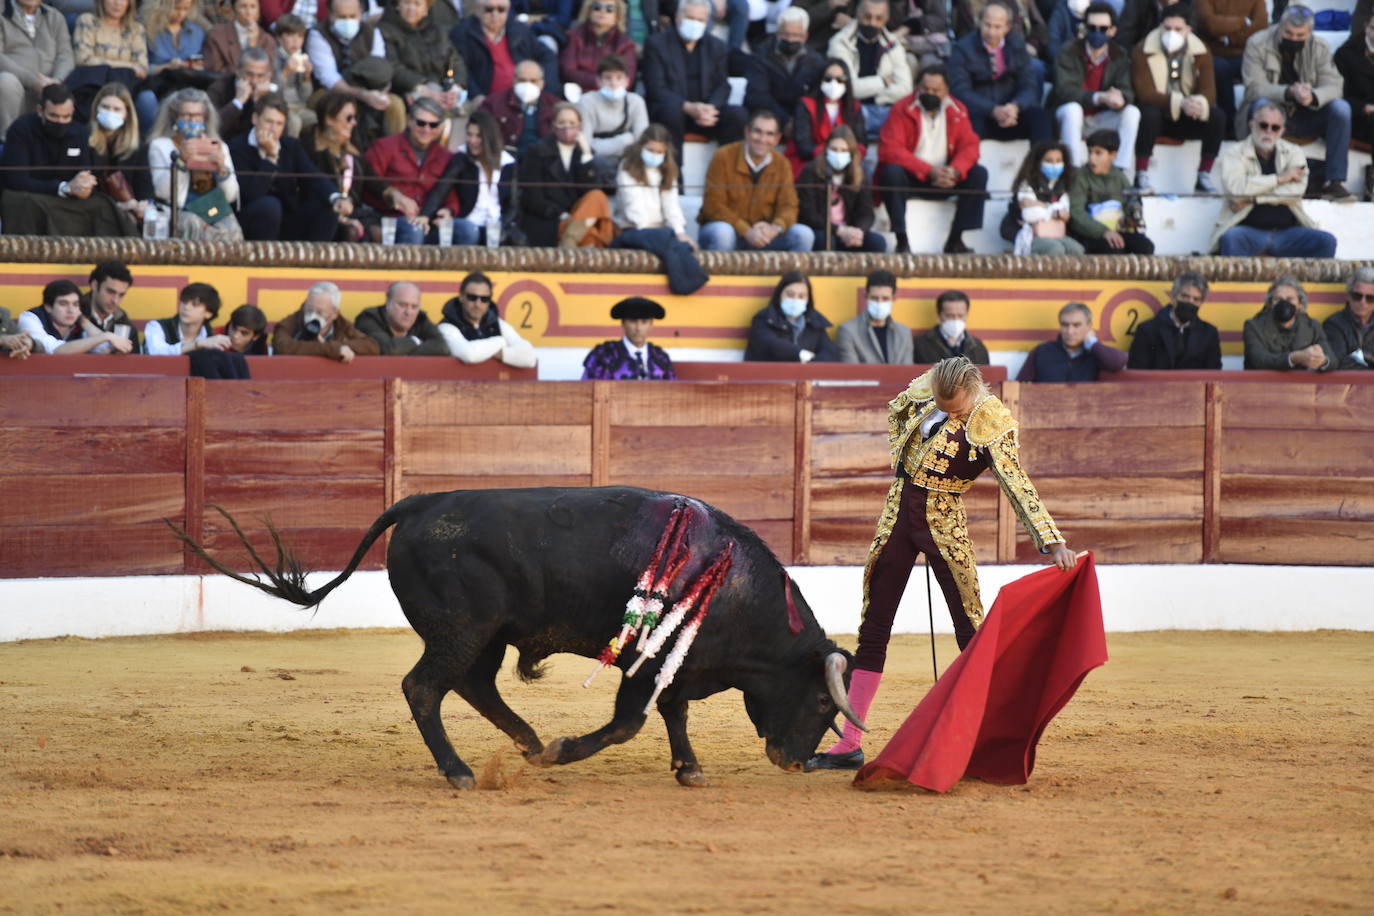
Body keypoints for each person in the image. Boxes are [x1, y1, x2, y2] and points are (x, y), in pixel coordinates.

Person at [806, 356, 1074, 771]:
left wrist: (1051, 540)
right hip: (899, 513)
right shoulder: (927, 389)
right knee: (874, 626)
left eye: (956, 406)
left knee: (969, 630)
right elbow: (895, 410)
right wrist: (902, 465)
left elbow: (1015, 481)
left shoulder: (992, 420)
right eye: (941, 403)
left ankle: (984, 736)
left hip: (943, 520)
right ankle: (851, 743)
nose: (948, 410)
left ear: (972, 388)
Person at [1238, 4, 1354, 201]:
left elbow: (1334, 86)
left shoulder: (1320, 46)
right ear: (1280, 27)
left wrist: (1313, 96)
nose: (1293, 39)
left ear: (1309, 33)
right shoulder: (1257, 42)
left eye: (1300, 36)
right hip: (1274, 111)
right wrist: (1288, 92)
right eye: (1289, 33)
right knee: (1261, 105)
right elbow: (1253, 88)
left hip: (1308, 112)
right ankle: (1260, 174)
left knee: (1341, 109)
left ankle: (1334, 182)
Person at [877, 66, 990, 254]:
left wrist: (955, 170)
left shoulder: (958, 110)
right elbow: (890, 149)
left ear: (946, 91)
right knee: (891, 172)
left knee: (978, 173)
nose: (929, 93)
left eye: (935, 90)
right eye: (925, 89)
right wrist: (928, 170)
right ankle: (901, 241)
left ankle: (955, 240)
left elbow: (970, 146)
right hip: (913, 177)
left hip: (946, 178)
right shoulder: (901, 109)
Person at [0, 84, 130, 238]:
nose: (60, 121)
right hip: (32, 196)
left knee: (104, 206)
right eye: (53, 116)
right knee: (18, 201)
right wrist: (63, 187)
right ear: (40, 111)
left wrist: (84, 186)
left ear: (73, 112)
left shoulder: (80, 132)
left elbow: (84, 172)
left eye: (66, 116)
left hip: (67, 201)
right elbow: (17, 180)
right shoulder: (21, 129)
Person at [1210, 100, 1337, 256]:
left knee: (1326, 242)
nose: (1268, 131)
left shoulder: (1294, 152)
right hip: (1248, 231)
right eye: (1263, 125)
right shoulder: (1234, 152)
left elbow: (1295, 191)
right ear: (1252, 125)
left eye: (1275, 127)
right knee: (1231, 238)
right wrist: (1280, 179)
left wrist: (1253, 199)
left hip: (1288, 234)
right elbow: (1236, 189)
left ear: (1282, 130)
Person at [230, 94, 348, 241]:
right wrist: (270, 159)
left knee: (327, 208)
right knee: (270, 206)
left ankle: (313, 261)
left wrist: (336, 198)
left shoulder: (290, 145)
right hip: (252, 221)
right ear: (255, 119)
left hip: (286, 221)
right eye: (269, 122)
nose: (273, 129)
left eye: (279, 124)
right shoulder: (237, 148)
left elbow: (312, 175)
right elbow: (251, 195)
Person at [1132, 5, 1223, 193]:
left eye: (1178, 29)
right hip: (1159, 116)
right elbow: (1145, 94)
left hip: (1188, 115)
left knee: (1216, 116)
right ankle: (1141, 174)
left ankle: (1204, 175)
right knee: (1148, 114)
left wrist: (1198, 103)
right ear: (1160, 26)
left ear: (1189, 30)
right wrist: (1179, 102)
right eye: (1167, 28)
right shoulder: (1143, 49)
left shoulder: (1201, 50)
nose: (1171, 33)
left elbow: (1209, 91)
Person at [696, 110, 815, 252]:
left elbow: (789, 206)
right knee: (723, 233)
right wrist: (746, 231)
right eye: (757, 131)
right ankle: (721, 275)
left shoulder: (782, 164)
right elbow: (713, 206)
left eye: (769, 134)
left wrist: (774, 228)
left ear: (777, 139)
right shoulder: (723, 156)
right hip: (730, 232)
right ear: (746, 132)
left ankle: (791, 275)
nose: (762, 139)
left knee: (804, 235)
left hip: (765, 236)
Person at [609, 123, 708, 295]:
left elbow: (672, 206)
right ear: (641, 147)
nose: (654, 155)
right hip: (633, 230)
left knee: (682, 243)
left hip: (660, 233)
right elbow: (634, 209)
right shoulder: (627, 168)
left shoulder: (668, 170)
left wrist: (679, 232)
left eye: (659, 152)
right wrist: (663, 236)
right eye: (650, 150)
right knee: (672, 243)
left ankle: (688, 281)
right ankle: (687, 282)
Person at [641, 0, 746, 148]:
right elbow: (655, 88)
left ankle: (725, 168)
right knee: (670, 111)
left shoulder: (716, 46)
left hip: (707, 114)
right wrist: (687, 107)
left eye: (700, 20)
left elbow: (723, 85)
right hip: (674, 112)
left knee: (737, 115)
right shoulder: (656, 44)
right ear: (677, 16)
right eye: (690, 18)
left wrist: (710, 108)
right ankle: (674, 170)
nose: (695, 23)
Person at [1052, 2, 1139, 176]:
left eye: (1103, 28)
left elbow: (1128, 91)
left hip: (1100, 118)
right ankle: (1074, 172)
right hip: (1069, 117)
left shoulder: (1119, 55)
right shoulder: (1069, 51)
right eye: (1092, 27)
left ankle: (1119, 172)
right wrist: (1100, 97)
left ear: (1113, 30)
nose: (1097, 33)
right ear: (1084, 28)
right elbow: (1064, 91)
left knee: (1132, 112)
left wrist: (1120, 98)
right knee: (1072, 109)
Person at [147, 87, 244, 242]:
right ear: (174, 115)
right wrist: (181, 161)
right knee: (192, 222)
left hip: (212, 209)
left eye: (197, 116)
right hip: (179, 211)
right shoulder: (161, 146)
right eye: (186, 115)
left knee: (231, 226)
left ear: (205, 118)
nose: (192, 121)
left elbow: (231, 196)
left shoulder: (218, 146)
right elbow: (163, 193)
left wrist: (222, 170)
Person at [948, 0, 1053, 142]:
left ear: (1007, 27)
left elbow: (1028, 84)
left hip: (1011, 113)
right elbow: (960, 91)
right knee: (969, 122)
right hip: (980, 114)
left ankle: (1039, 162)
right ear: (979, 22)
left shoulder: (1016, 44)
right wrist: (993, 110)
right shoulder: (962, 49)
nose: (991, 32)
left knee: (1040, 117)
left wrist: (1016, 106)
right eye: (987, 25)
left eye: (997, 27)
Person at [518, 101, 614, 248]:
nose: (567, 127)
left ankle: (570, 239)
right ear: (553, 125)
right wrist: (563, 216)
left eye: (572, 123)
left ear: (580, 126)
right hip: (550, 220)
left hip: (577, 218)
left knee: (598, 196)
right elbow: (533, 198)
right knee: (592, 236)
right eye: (561, 122)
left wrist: (586, 155)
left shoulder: (585, 154)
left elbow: (590, 193)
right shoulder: (536, 152)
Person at [365, 96, 458, 245]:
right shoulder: (384, 147)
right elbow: (368, 184)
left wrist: (448, 211)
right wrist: (393, 196)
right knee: (414, 229)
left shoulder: (446, 156)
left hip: (429, 221)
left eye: (433, 125)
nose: (426, 130)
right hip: (391, 220)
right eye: (421, 123)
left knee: (466, 230)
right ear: (409, 120)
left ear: (440, 128)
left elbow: (451, 195)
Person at [308, 0, 403, 141]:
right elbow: (329, 78)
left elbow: (378, 68)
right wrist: (362, 95)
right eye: (341, 17)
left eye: (352, 16)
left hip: (369, 89)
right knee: (335, 106)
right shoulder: (317, 35)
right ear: (330, 14)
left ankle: (392, 152)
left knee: (395, 104)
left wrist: (379, 93)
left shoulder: (372, 33)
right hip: (330, 92)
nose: (347, 21)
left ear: (360, 14)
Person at [421, 110, 516, 246]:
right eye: (469, 135)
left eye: (478, 136)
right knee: (470, 232)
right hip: (468, 221)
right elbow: (441, 189)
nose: (472, 140)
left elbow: (513, 206)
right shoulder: (462, 158)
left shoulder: (508, 163)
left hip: (496, 225)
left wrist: (500, 227)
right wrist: (425, 215)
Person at [826, 0, 913, 137]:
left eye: (878, 18)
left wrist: (870, 93)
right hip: (850, 110)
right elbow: (848, 88)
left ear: (886, 19)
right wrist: (883, 82)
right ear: (858, 15)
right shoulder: (840, 42)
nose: (872, 23)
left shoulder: (893, 44)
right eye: (867, 17)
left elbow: (905, 89)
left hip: (885, 110)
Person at [301, 90, 378, 242]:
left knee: (378, 229)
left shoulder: (351, 151)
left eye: (355, 118)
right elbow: (313, 191)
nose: (354, 123)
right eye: (349, 118)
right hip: (322, 216)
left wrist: (394, 195)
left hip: (352, 213)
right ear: (329, 119)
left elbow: (375, 184)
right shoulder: (309, 149)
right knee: (351, 231)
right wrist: (341, 217)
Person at [796, 125, 885, 252]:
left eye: (844, 150)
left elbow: (866, 213)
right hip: (821, 230)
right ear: (826, 150)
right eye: (834, 149)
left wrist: (858, 231)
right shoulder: (811, 171)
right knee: (826, 241)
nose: (838, 154)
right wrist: (839, 230)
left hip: (849, 232)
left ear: (851, 153)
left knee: (877, 242)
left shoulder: (860, 174)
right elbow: (808, 215)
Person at [739, 6, 827, 133]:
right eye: (785, 34)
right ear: (778, 33)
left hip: (799, 119)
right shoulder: (760, 55)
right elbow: (758, 96)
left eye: (796, 35)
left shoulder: (816, 61)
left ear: (805, 36)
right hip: (765, 117)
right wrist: (785, 120)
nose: (790, 40)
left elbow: (813, 96)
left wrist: (797, 121)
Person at [449, 0, 558, 102]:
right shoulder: (463, 34)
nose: (495, 14)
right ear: (477, 10)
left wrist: (545, 88)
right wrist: (476, 95)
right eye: (489, 9)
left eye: (501, 9)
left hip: (525, 96)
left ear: (508, 10)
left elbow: (547, 56)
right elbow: (462, 71)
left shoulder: (520, 30)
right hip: (488, 101)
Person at [71, 0, 157, 128]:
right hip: (94, 84)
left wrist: (106, 65)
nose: (118, 3)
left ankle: (144, 143)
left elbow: (142, 68)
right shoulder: (87, 21)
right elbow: (83, 59)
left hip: (127, 87)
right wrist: (128, 66)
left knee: (147, 99)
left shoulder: (136, 29)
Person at [1068, 128, 1155, 254]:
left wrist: (1130, 221)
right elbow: (1076, 214)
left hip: (1116, 231)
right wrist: (1103, 232)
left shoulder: (1119, 177)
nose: (1092, 158)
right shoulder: (1080, 177)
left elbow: (1130, 204)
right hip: (1090, 234)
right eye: (1090, 152)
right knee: (1113, 248)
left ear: (1113, 155)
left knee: (1145, 246)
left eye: (1098, 153)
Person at [0, 0, 74, 143]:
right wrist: (33, 81)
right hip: (16, 90)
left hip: (50, 89)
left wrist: (56, 82)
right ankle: (9, 141)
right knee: (6, 82)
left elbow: (65, 56)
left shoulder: (55, 17)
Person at [786, 57, 867, 178]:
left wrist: (847, 155)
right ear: (820, 79)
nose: (834, 83)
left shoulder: (854, 107)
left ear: (847, 81)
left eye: (840, 79)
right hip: (810, 159)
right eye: (828, 78)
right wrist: (830, 154)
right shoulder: (806, 105)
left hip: (846, 159)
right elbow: (803, 146)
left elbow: (861, 142)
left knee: (864, 173)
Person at [436, 271, 538, 368]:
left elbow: (530, 357)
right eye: (472, 297)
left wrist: (494, 353)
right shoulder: (446, 327)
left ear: (489, 301)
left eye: (484, 299)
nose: (478, 304)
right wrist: (501, 341)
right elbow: (469, 355)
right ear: (462, 297)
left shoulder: (498, 324)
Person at [1195, 0, 1266, 136]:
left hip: (1246, 54)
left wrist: (1228, 38)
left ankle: (1256, 122)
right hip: (1212, 53)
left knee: (1258, 70)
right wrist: (1243, 21)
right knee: (1220, 69)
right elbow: (1210, 25)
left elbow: (1260, 27)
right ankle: (1228, 125)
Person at [1127, 270, 1223, 369]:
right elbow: (1137, 371)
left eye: (1196, 299)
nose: (1190, 302)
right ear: (1173, 297)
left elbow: (1214, 375)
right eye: (1185, 296)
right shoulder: (1147, 330)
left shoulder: (1209, 333)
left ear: (1201, 303)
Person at [577, 53, 649, 179]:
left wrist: (600, 144)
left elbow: (642, 143)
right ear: (598, 81)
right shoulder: (586, 101)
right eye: (608, 78)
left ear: (627, 81)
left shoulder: (636, 102)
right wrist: (624, 141)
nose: (614, 83)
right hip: (595, 164)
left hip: (626, 163)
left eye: (619, 78)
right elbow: (586, 146)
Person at [379, 0, 465, 106]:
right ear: (397, 5)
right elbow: (394, 68)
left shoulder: (438, 31)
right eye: (407, 3)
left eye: (417, 4)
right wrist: (422, 87)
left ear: (426, 9)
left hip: (442, 88)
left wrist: (455, 87)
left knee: (461, 104)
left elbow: (454, 61)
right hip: (409, 90)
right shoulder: (385, 30)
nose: (411, 8)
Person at [1005, 140, 1084, 255]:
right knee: (1055, 249)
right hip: (1031, 235)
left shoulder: (1062, 184)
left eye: (1058, 161)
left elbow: (1065, 213)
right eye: (1049, 161)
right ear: (1038, 162)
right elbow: (1029, 215)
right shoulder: (1027, 183)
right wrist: (1055, 212)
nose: (1054, 165)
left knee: (1077, 250)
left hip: (1056, 234)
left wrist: (1041, 205)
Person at [1242, 275, 1335, 371]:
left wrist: (1322, 360)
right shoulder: (1254, 326)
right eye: (1278, 299)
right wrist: (1293, 358)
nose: (1284, 303)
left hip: (1302, 385)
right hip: (1264, 385)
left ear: (1300, 303)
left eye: (1290, 299)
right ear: (1270, 303)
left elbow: (1332, 360)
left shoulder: (1312, 326)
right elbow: (1259, 360)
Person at [744, 270, 840, 362]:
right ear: (779, 295)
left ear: (808, 299)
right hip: (768, 377)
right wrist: (800, 354)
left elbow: (829, 352)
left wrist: (811, 365)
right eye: (790, 295)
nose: (795, 300)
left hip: (804, 377)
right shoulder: (763, 319)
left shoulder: (814, 322)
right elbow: (771, 345)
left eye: (801, 296)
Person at [271, 280, 380, 362]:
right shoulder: (290, 322)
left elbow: (372, 346)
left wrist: (338, 346)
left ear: (334, 314)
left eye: (320, 312)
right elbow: (283, 347)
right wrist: (331, 349)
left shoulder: (341, 325)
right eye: (309, 309)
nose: (312, 316)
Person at [1018, 301, 1128, 380]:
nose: (1070, 331)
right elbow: (1017, 386)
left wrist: (1093, 344)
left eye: (1076, 325)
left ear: (1089, 326)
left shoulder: (1096, 353)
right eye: (1065, 325)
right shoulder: (1042, 351)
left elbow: (1118, 362)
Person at [19, 278, 133, 354]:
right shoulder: (30, 318)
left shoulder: (80, 322)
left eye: (75, 304)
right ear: (48, 307)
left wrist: (84, 321)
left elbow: (105, 348)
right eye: (63, 304)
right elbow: (55, 350)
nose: (71, 310)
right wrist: (106, 336)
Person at [581, 296, 676, 379]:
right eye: (633, 321)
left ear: (651, 324)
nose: (638, 328)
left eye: (644, 322)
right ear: (623, 323)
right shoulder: (604, 355)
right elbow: (588, 390)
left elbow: (674, 393)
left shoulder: (661, 357)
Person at [481, 57, 560, 157]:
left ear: (542, 83)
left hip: (544, 161)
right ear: (514, 81)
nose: (528, 85)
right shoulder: (493, 103)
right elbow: (484, 134)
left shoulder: (555, 106)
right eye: (522, 80)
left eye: (533, 81)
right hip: (507, 160)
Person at [1334, 16, 1374, 199]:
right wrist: (1364, 107)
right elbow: (1337, 94)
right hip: (1358, 117)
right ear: (1366, 26)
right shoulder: (1346, 54)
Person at [836, 269, 912, 363]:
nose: (879, 303)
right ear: (866, 297)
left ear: (893, 299)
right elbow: (851, 373)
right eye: (874, 298)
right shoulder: (848, 331)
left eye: (885, 298)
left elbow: (908, 373)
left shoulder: (904, 333)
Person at [355, 281, 451, 355]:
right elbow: (388, 349)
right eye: (402, 305)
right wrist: (415, 341)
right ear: (388, 303)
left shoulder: (420, 318)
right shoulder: (368, 318)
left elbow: (443, 347)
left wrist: (405, 350)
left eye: (414, 307)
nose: (408, 312)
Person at [561, 0, 637, 92]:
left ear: (617, 15)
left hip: (612, 95)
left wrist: (604, 84)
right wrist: (601, 81)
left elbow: (628, 79)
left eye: (610, 9)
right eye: (597, 7)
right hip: (578, 94)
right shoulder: (574, 37)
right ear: (589, 11)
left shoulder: (625, 44)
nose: (602, 11)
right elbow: (568, 72)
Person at [144, 282, 232, 355]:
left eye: (194, 304)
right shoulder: (156, 326)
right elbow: (156, 352)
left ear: (208, 313)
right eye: (184, 301)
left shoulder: (212, 339)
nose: (186, 307)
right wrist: (197, 344)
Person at [209, 45, 275, 141]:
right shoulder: (219, 88)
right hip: (225, 144)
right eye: (249, 74)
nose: (254, 81)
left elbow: (280, 132)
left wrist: (260, 103)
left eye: (260, 76)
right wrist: (238, 102)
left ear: (268, 75)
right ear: (238, 71)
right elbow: (212, 127)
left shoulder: (272, 91)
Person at [912, 289, 993, 363]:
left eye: (960, 316)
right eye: (949, 316)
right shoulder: (920, 346)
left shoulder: (978, 347)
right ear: (939, 315)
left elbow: (986, 376)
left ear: (967, 315)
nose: (955, 320)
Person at [80, 259, 141, 353]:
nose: (115, 301)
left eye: (121, 295)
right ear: (95, 285)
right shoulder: (72, 314)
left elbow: (134, 366)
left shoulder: (127, 325)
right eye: (110, 292)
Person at [271, 14, 316, 138]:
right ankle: (289, 152)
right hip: (279, 106)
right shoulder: (273, 57)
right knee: (294, 122)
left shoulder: (301, 57)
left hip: (299, 106)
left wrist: (307, 77)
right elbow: (272, 90)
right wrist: (285, 72)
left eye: (300, 36)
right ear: (279, 38)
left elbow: (305, 96)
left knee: (316, 119)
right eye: (290, 35)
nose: (296, 41)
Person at [203, 0, 276, 73]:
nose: (249, 12)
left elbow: (268, 73)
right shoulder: (216, 35)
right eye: (243, 6)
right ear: (234, 9)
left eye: (253, 7)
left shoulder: (268, 40)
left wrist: (252, 47)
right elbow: (214, 72)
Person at [1323, 267, 1374, 369]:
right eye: (1357, 296)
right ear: (1348, 296)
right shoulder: (1333, 324)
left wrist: (1357, 356)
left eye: (1370, 298)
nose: (1363, 302)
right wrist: (1367, 357)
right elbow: (1339, 364)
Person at [144, 0, 208, 80]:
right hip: (158, 85)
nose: (181, 14)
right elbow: (142, 69)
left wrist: (196, 65)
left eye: (186, 9)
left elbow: (204, 64)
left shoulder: (197, 33)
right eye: (176, 8)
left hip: (190, 84)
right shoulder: (149, 32)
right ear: (162, 6)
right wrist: (167, 67)